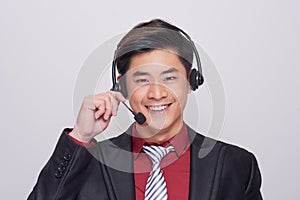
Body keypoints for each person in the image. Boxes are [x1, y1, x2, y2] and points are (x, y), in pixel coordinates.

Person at [28, 19, 263, 200]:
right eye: (142, 80)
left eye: (169, 78)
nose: (157, 93)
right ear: (121, 86)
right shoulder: (87, 163)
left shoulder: (238, 165)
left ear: (191, 82)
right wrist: (81, 136)